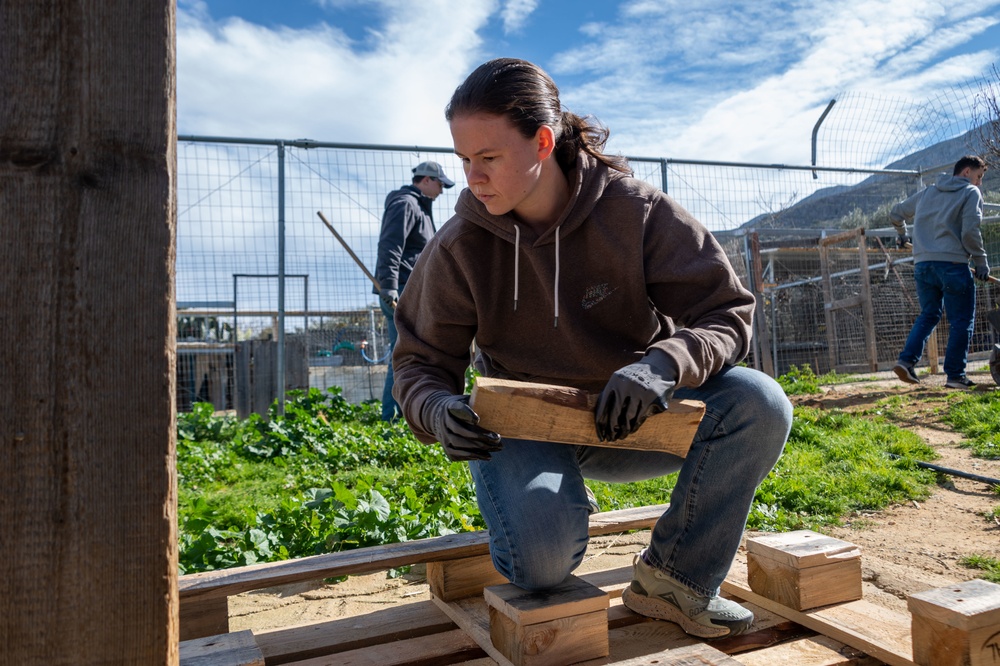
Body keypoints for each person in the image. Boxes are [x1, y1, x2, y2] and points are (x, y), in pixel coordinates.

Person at [391, 58, 792, 639]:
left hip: (630, 418)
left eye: (489, 158)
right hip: (520, 429)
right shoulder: (460, 246)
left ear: (543, 141)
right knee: (542, 565)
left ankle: (674, 581)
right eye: (464, 161)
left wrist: (663, 365)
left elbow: (727, 314)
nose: (472, 178)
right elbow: (420, 363)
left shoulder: (638, 213)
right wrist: (435, 409)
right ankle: (539, 505)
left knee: (760, 402)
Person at [891, 155, 989, 390]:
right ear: (967, 172)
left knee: (929, 314)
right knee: (961, 321)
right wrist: (981, 261)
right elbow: (969, 232)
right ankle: (955, 375)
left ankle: (906, 361)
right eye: (978, 177)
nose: (979, 183)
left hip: (923, 265)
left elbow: (896, 213)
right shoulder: (970, 192)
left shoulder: (928, 192)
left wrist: (902, 234)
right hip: (953, 265)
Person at [373, 160, 454, 421]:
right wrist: (388, 286)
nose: (441, 190)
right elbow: (391, 245)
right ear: (427, 179)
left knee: (412, 352)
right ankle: (391, 417)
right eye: (440, 184)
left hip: (413, 288)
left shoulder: (421, 208)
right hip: (401, 289)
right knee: (402, 353)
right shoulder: (405, 203)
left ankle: (403, 412)